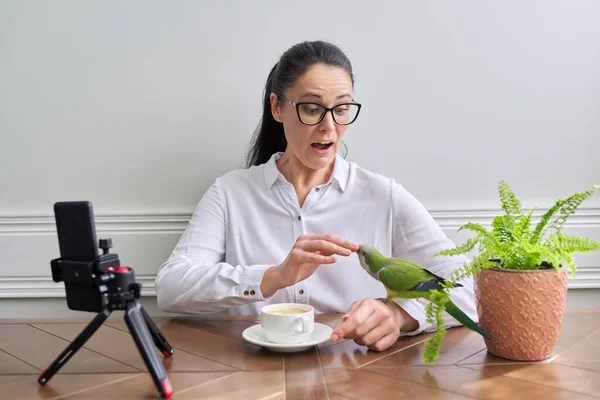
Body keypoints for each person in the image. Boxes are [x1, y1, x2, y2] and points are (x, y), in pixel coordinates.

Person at [155, 40, 477, 351]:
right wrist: (272, 276)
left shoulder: (384, 196)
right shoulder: (230, 193)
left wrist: (401, 315)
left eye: (341, 109)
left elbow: (472, 291)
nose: (329, 126)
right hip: (253, 375)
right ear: (277, 107)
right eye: (311, 109)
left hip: (358, 374)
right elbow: (171, 287)